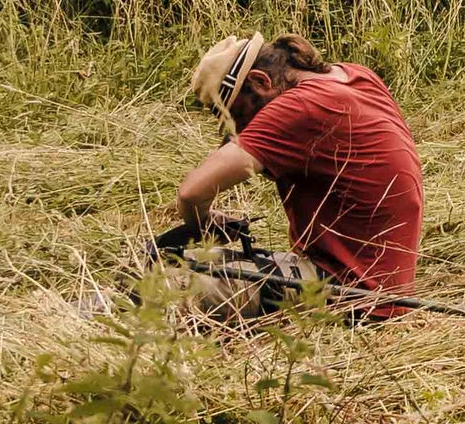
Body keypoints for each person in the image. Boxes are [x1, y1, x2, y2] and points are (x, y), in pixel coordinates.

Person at [174, 33, 428, 317]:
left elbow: (191, 193)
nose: (241, 128)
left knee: (165, 284)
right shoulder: (354, 75)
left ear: (261, 81)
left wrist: (204, 222)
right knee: (184, 263)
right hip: (385, 284)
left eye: (238, 115)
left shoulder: (299, 107)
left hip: (352, 292)